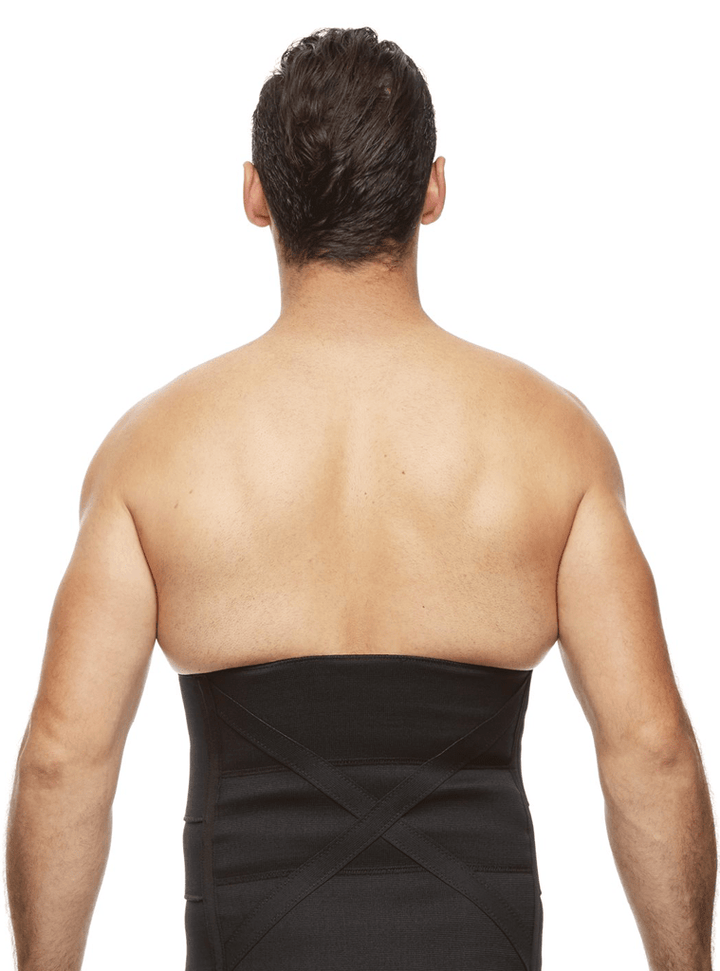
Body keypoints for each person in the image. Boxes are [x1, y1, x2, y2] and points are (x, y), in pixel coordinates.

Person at [5, 25, 715, 971]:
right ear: (433, 190)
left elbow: (64, 760)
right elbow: (651, 748)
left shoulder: (154, 454)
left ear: (256, 195)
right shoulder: (553, 442)